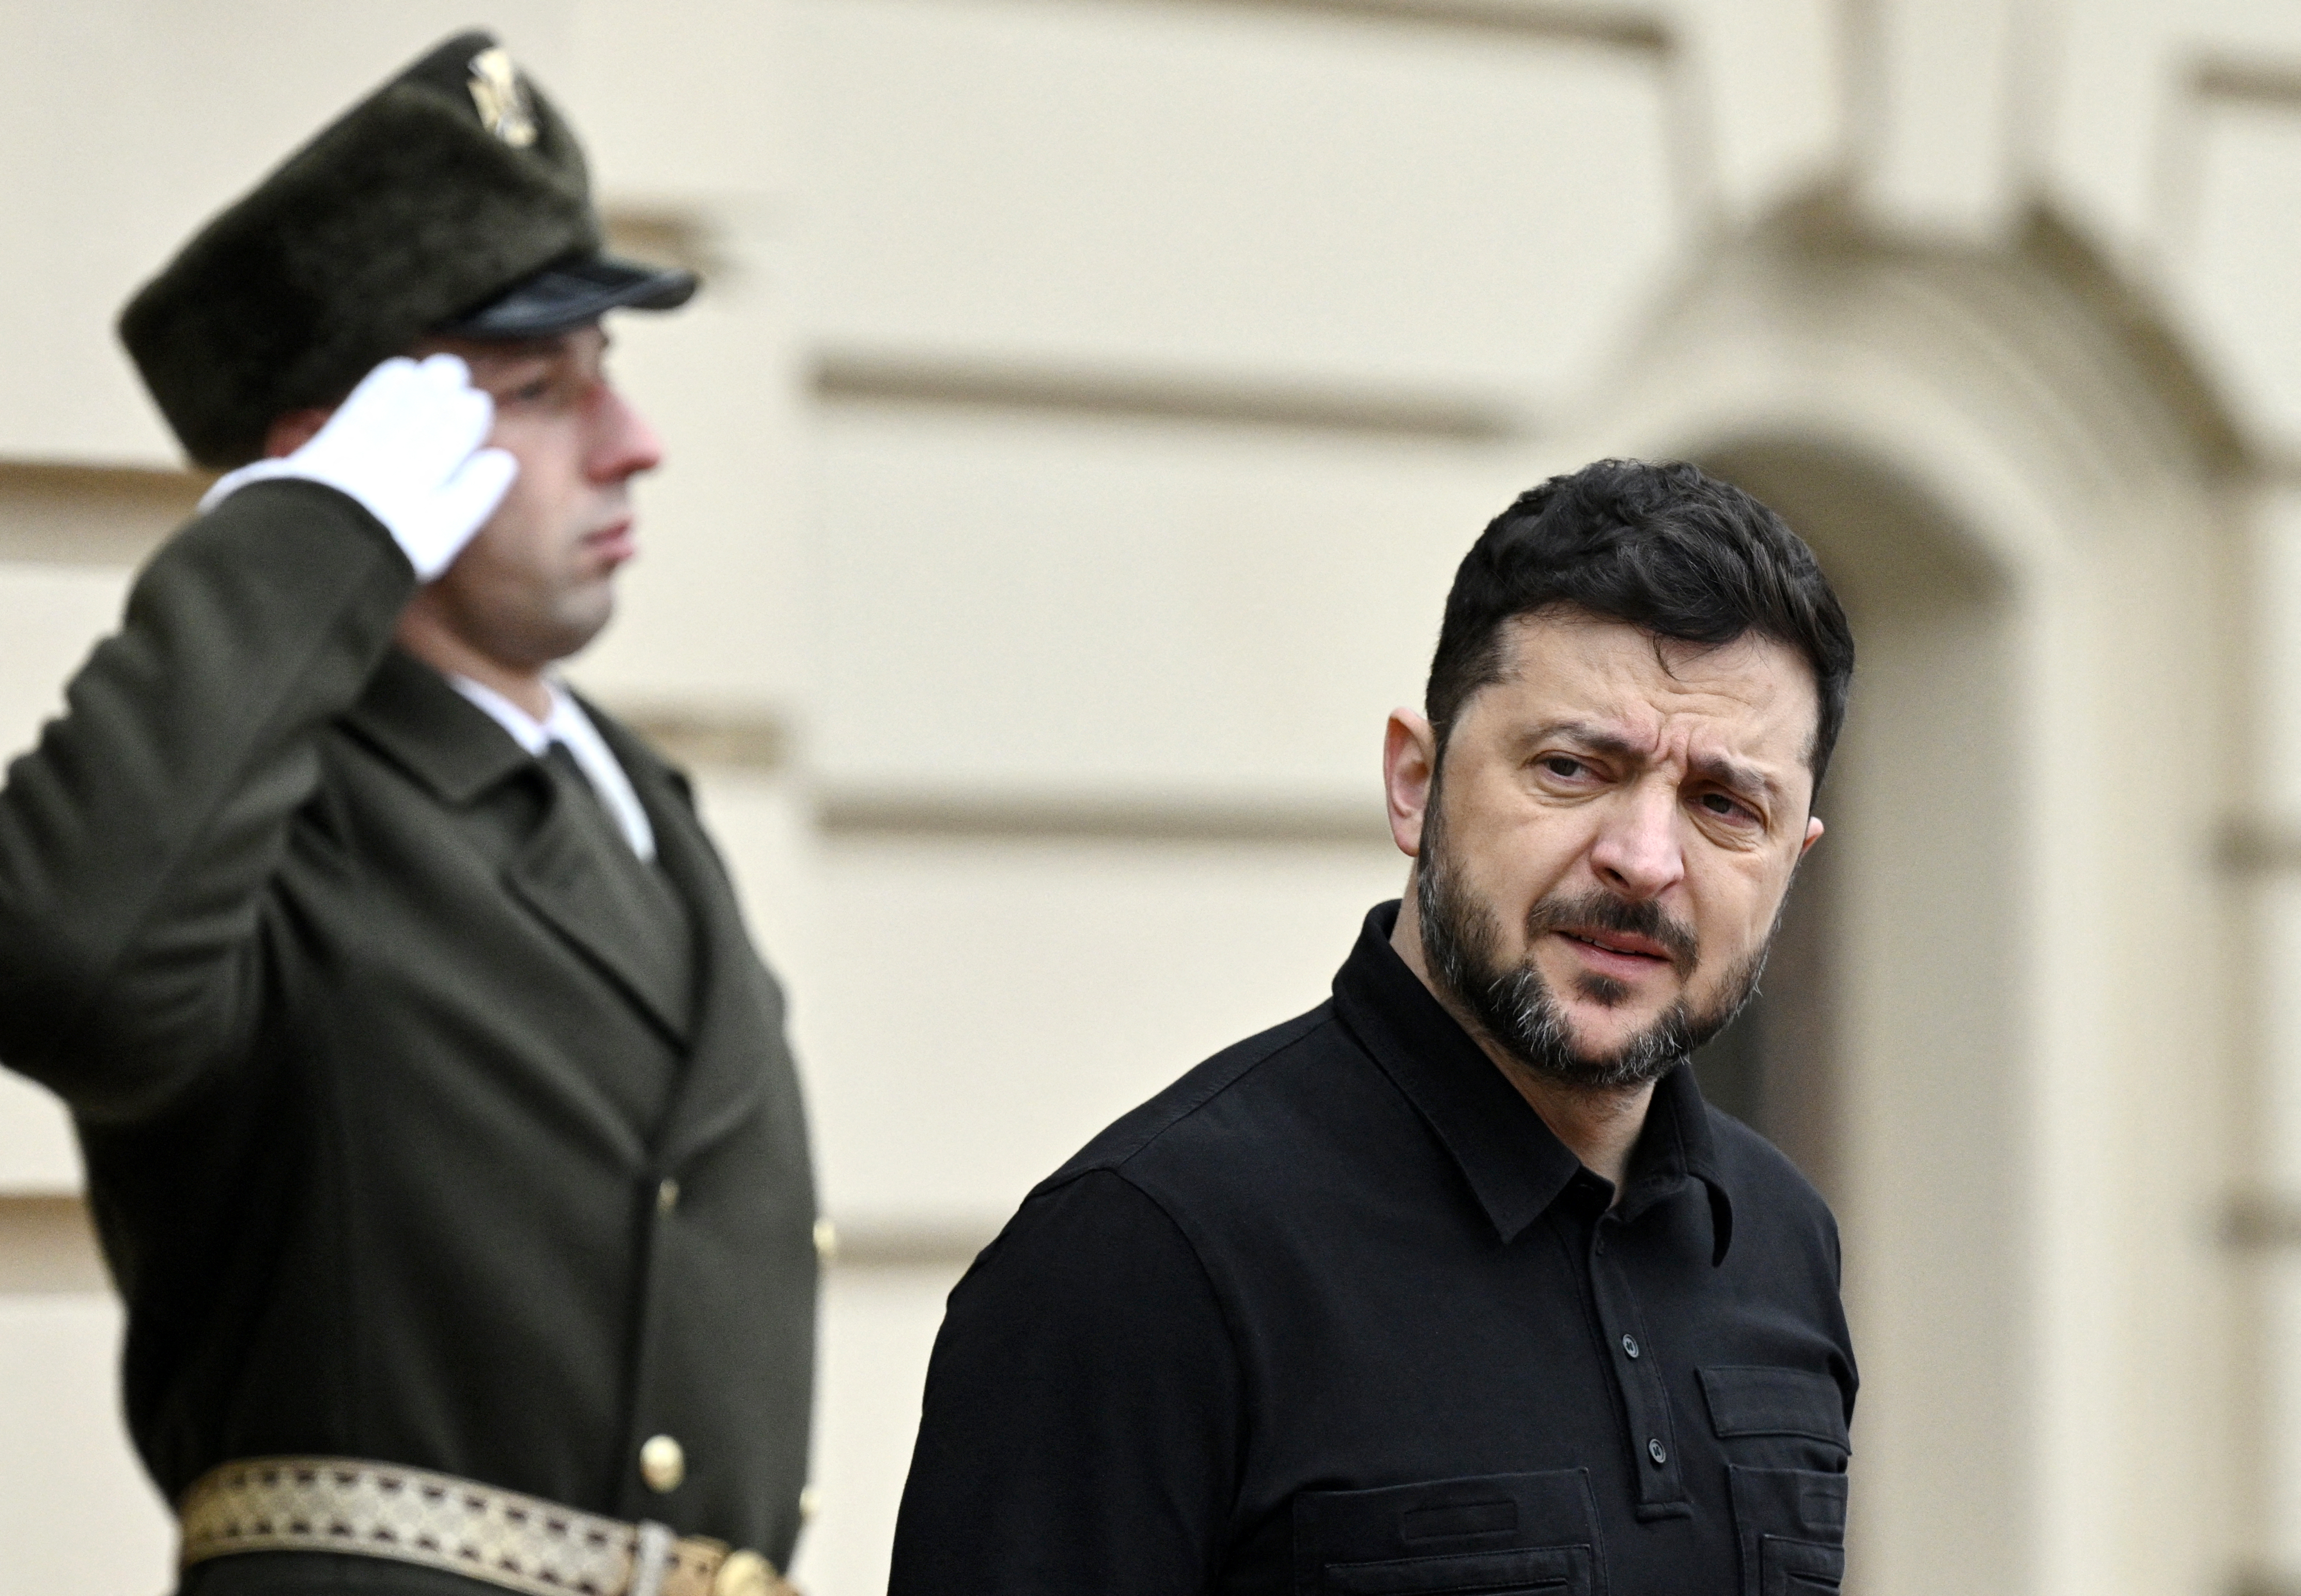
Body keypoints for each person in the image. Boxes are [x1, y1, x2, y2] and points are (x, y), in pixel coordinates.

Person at [0, 33, 815, 1596]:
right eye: (538, 391)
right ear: (358, 451)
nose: (632, 444)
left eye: (611, 380)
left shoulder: (627, 798)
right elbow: (71, 961)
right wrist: (303, 541)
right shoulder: (254, 821)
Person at [889, 458, 1859, 1596]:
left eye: (1723, 806)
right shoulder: (1145, 1258)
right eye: (1571, 768)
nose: (1644, 861)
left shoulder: (1781, 1243)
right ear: (1414, 781)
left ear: (1791, 862)